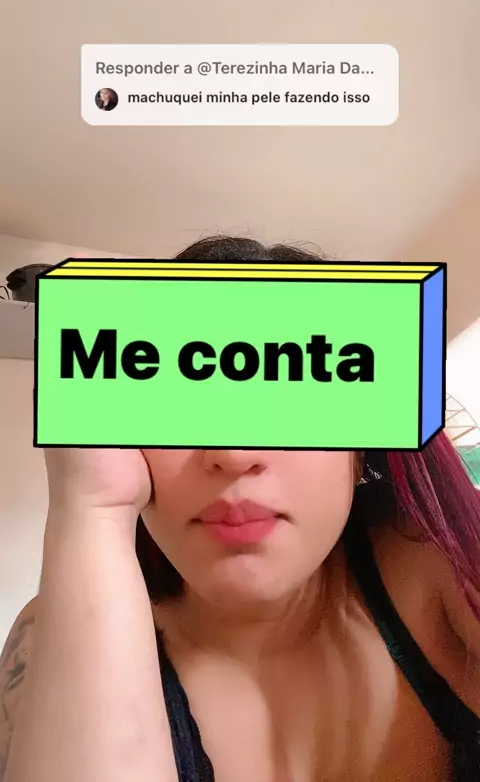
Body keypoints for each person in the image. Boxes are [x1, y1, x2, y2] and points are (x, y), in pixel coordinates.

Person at [1, 235, 479, 782]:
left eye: (298, 389)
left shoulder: (448, 569)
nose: (233, 454)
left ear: (360, 448)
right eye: (180, 398)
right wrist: (92, 508)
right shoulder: (46, 635)